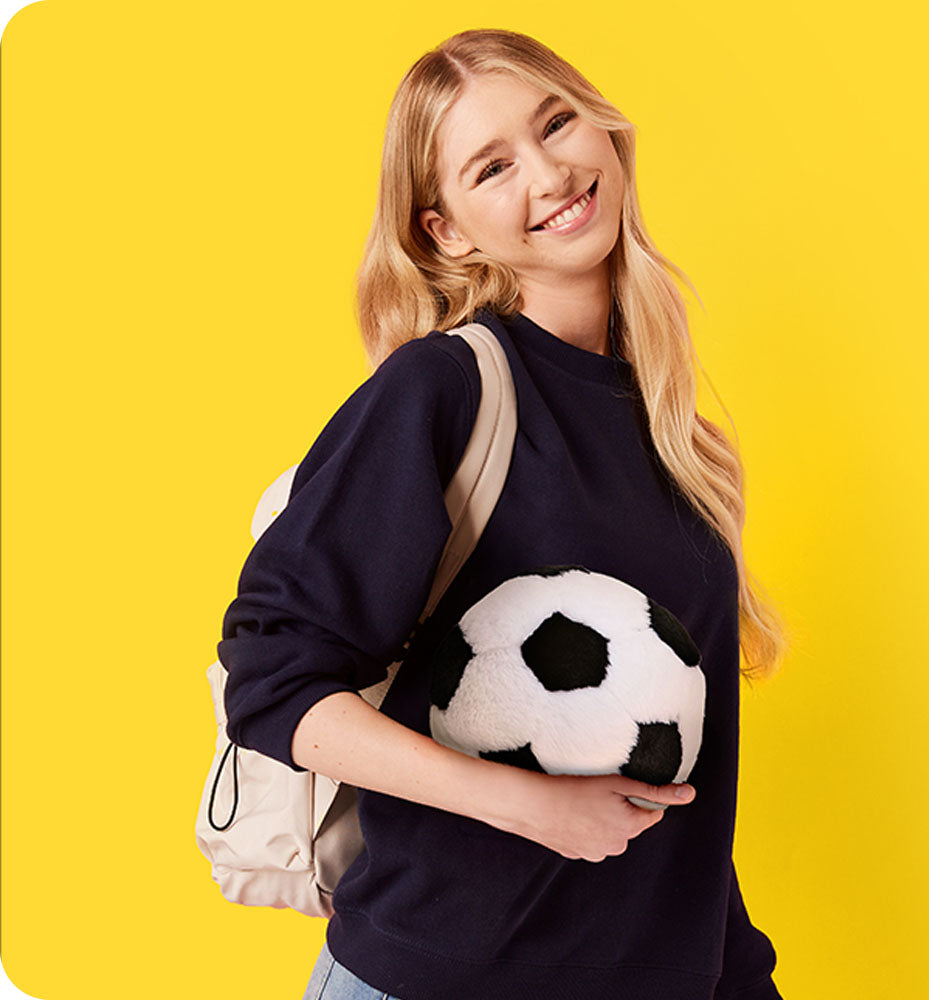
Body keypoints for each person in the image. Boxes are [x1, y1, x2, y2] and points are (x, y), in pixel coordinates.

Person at [219, 27, 788, 1000]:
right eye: (492, 166)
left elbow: (685, 781)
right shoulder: (441, 392)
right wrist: (529, 805)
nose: (549, 171)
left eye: (555, 121)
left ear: (604, 129)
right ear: (447, 230)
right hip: (437, 976)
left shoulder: (680, 442)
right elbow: (270, 682)